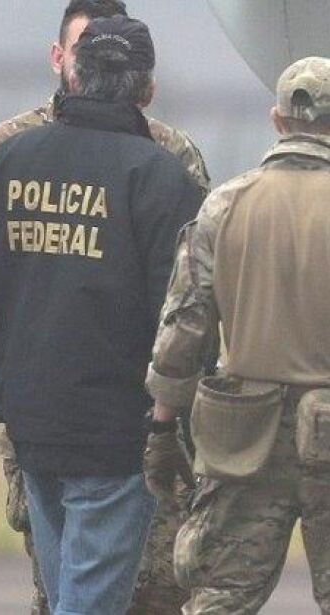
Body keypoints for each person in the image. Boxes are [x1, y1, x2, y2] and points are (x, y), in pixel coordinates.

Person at [0, 16, 204, 614]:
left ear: (73, 75)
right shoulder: (161, 177)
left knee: (67, 592)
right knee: (88, 603)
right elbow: (182, 311)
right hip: (115, 432)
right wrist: (176, 408)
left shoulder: (8, 162)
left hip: (30, 422)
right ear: (147, 91)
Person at [145, 56, 330, 613]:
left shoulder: (225, 206)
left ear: (277, 120)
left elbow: (186, 325)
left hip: (245, 437)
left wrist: (162, 426)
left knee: (221, 596)